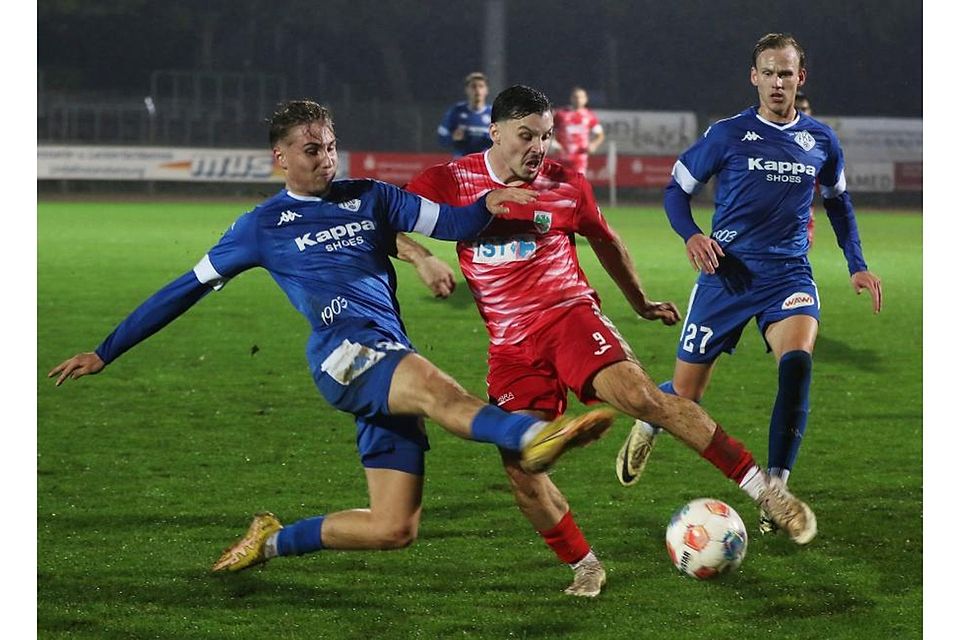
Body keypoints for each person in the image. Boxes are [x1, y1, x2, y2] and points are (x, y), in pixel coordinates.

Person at [48, 99, 618, 576]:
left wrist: (485, 204)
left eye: (330, 146)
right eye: (311, 149)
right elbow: (181, 290)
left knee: (393, 527)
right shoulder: (259, 228)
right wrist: (105, 350)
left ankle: (270, 540)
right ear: (281, 158)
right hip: (344, 355)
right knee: (437, 391)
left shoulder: (371, 195)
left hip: (387, 356)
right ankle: (533, 434)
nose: (325, 158)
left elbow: (451, 225)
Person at [398, 85, 819, 598]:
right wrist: (421, 258)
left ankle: (766, 491)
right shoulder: (450, 180)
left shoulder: (566, 183)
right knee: (522, 466)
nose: (538, 147)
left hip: (569, 316)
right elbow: (383, 218)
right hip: (510, 346)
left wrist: (639, 302)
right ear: (496, 133)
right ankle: (586, 564)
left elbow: (606, 239)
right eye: (526, 135)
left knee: (643, 397)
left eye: (546, 136)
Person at [614, 34, 883, 536]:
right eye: (769, 72)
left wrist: (857, 264)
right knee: (686, 398)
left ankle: (776, 486)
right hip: (726, 276)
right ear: (753, 77)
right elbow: (677, 191)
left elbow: (839, 203)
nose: (777, 82)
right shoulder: (728, 134)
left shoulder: (821, 140)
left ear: (800, 78)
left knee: (798, 362)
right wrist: (692, 234)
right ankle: (652, 417)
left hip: (788, 274)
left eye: (787, 73)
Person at [437, 72, 493, 157]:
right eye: (473, 86)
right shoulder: (456, 111)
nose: (477, 90)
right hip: (461, 165)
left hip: (484, 166)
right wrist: (452, 138)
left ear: (486, 90)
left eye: (481, 86)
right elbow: (441, 137)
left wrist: (491, 139)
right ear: (467, 90)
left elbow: (504, 142)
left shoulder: (494, 113)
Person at [551, 86, 605, 174]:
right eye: (576, 97)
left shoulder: (590, 116)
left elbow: (600, 135)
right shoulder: (560, 114)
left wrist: (594, 145)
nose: (578, 99)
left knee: (577, 185)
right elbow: (548, 131)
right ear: (571, 98)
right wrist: (553, 143)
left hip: (579, 160)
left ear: (586, 99)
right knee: (560, 185)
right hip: (561, 157)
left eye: (581, 97)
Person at [795, 91, 817, 246]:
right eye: (798, 108)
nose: (802, 113)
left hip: (802, 215)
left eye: (805, 109)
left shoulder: (819, 143)